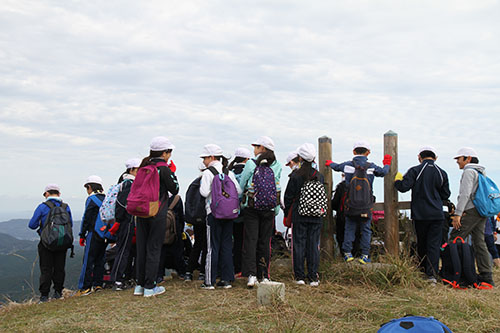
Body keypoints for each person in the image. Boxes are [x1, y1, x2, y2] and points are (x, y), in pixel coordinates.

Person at [326, 141, 391, 264]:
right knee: (366, 230)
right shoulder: (371, 167)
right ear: (368, 152)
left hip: (351, 205)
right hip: (366, 206)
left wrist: (329, 163)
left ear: (354, 152)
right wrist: (387, 164)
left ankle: (347, 254)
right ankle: (365, 255)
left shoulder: (347, 165)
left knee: (349, 228)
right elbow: (383, 172)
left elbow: (335, 166)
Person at [394, 146, 451, 282]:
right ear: (435, 158)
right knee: (434, 245)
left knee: (422, 243)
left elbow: (403, 187)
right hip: (437, 215)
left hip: (420, 214)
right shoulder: (441, 172)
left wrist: (397, 180)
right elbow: (446, 194)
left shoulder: (415, 170)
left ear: (419, 157)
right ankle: (432, 275)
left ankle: (422, 271)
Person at [134, 136, 179, 297]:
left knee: (142, 247)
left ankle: (139, 285)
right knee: (153, 248)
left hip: (141, 211)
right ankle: (150, 286)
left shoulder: (144, 166)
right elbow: (175, 189)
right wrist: (172, 172)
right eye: (169, 152)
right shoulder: (163, 168)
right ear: (165, 153)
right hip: (157, 211)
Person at [239, 136, 282, 288]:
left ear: (262, 148)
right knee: (265, 242)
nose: (254, 149)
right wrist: (275, 209)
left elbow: (242, 184)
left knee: (251, 241)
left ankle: (251, 275)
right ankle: (264, 275)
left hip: (252, 207)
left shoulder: (251, 163)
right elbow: (277, 188)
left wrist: (240, 201)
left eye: (256, 146)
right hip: (269, 208)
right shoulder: (277, 165)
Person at [199, 144, 242, 289]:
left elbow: (204, 193)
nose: (204, 161)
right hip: (229, 214)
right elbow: (238, 190)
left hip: (213, 214)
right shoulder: (228, 172)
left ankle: (209, 281)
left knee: (212, 247)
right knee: (226, 245)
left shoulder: (208, 173)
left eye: (205, 158)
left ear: (211, 157)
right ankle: (227, 279)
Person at [450, 147, 494, 286]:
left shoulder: (469, 171)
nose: (457, 162)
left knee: (455, 238)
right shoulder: (481, 172)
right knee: (479, 241)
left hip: (471, 210)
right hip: (481, 211)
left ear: (468, 158)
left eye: (459, 158)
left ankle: (457, 273)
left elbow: (465, 194)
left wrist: (457, 213)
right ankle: (486, 276)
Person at [284, 143, 324, 286]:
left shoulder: (296, 175)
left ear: (300, 158)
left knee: (299, 245)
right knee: (313, 245)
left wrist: (286, 212)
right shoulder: (319, 176)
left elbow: (288, 197)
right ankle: (313, 276)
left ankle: (299, 276)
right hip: (316, 216)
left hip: (299, 215)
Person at [29, 184, 73, 302]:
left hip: (46, 243)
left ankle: (44, 296)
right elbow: (71, 225)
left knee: (46, 269)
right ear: (59, 194)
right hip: (62, 242)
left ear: (47, 194)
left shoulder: (42, 207)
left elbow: (32, 225)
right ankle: (58, 293)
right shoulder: (65, 207)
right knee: (59, 268)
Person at [110, 158, 141, 291]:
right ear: (132, 170)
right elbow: (123, 205)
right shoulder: (129, 184)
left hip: (125, 222)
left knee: (125, 251)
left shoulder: (125, 183)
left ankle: (122, 278)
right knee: (123, 251)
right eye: (138, 169)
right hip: (126, 222)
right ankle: (117, 280)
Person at [77, 175, 106, 296]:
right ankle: (98, 284)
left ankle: (85, 287)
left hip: (93, 233)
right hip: (105, 234)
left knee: (88, 260)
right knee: (100, 259)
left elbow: (86, 218)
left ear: (89, 187)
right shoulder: (106, 198)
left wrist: (82, 234)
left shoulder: (91, 199)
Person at [228, 147, 252, 277]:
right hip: (246, 212)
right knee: (245, 241)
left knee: (234, 241)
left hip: (229, 212)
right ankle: (244, 268)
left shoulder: (229, 172)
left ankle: (234, 267)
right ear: (247, 159)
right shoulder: (248, 172)